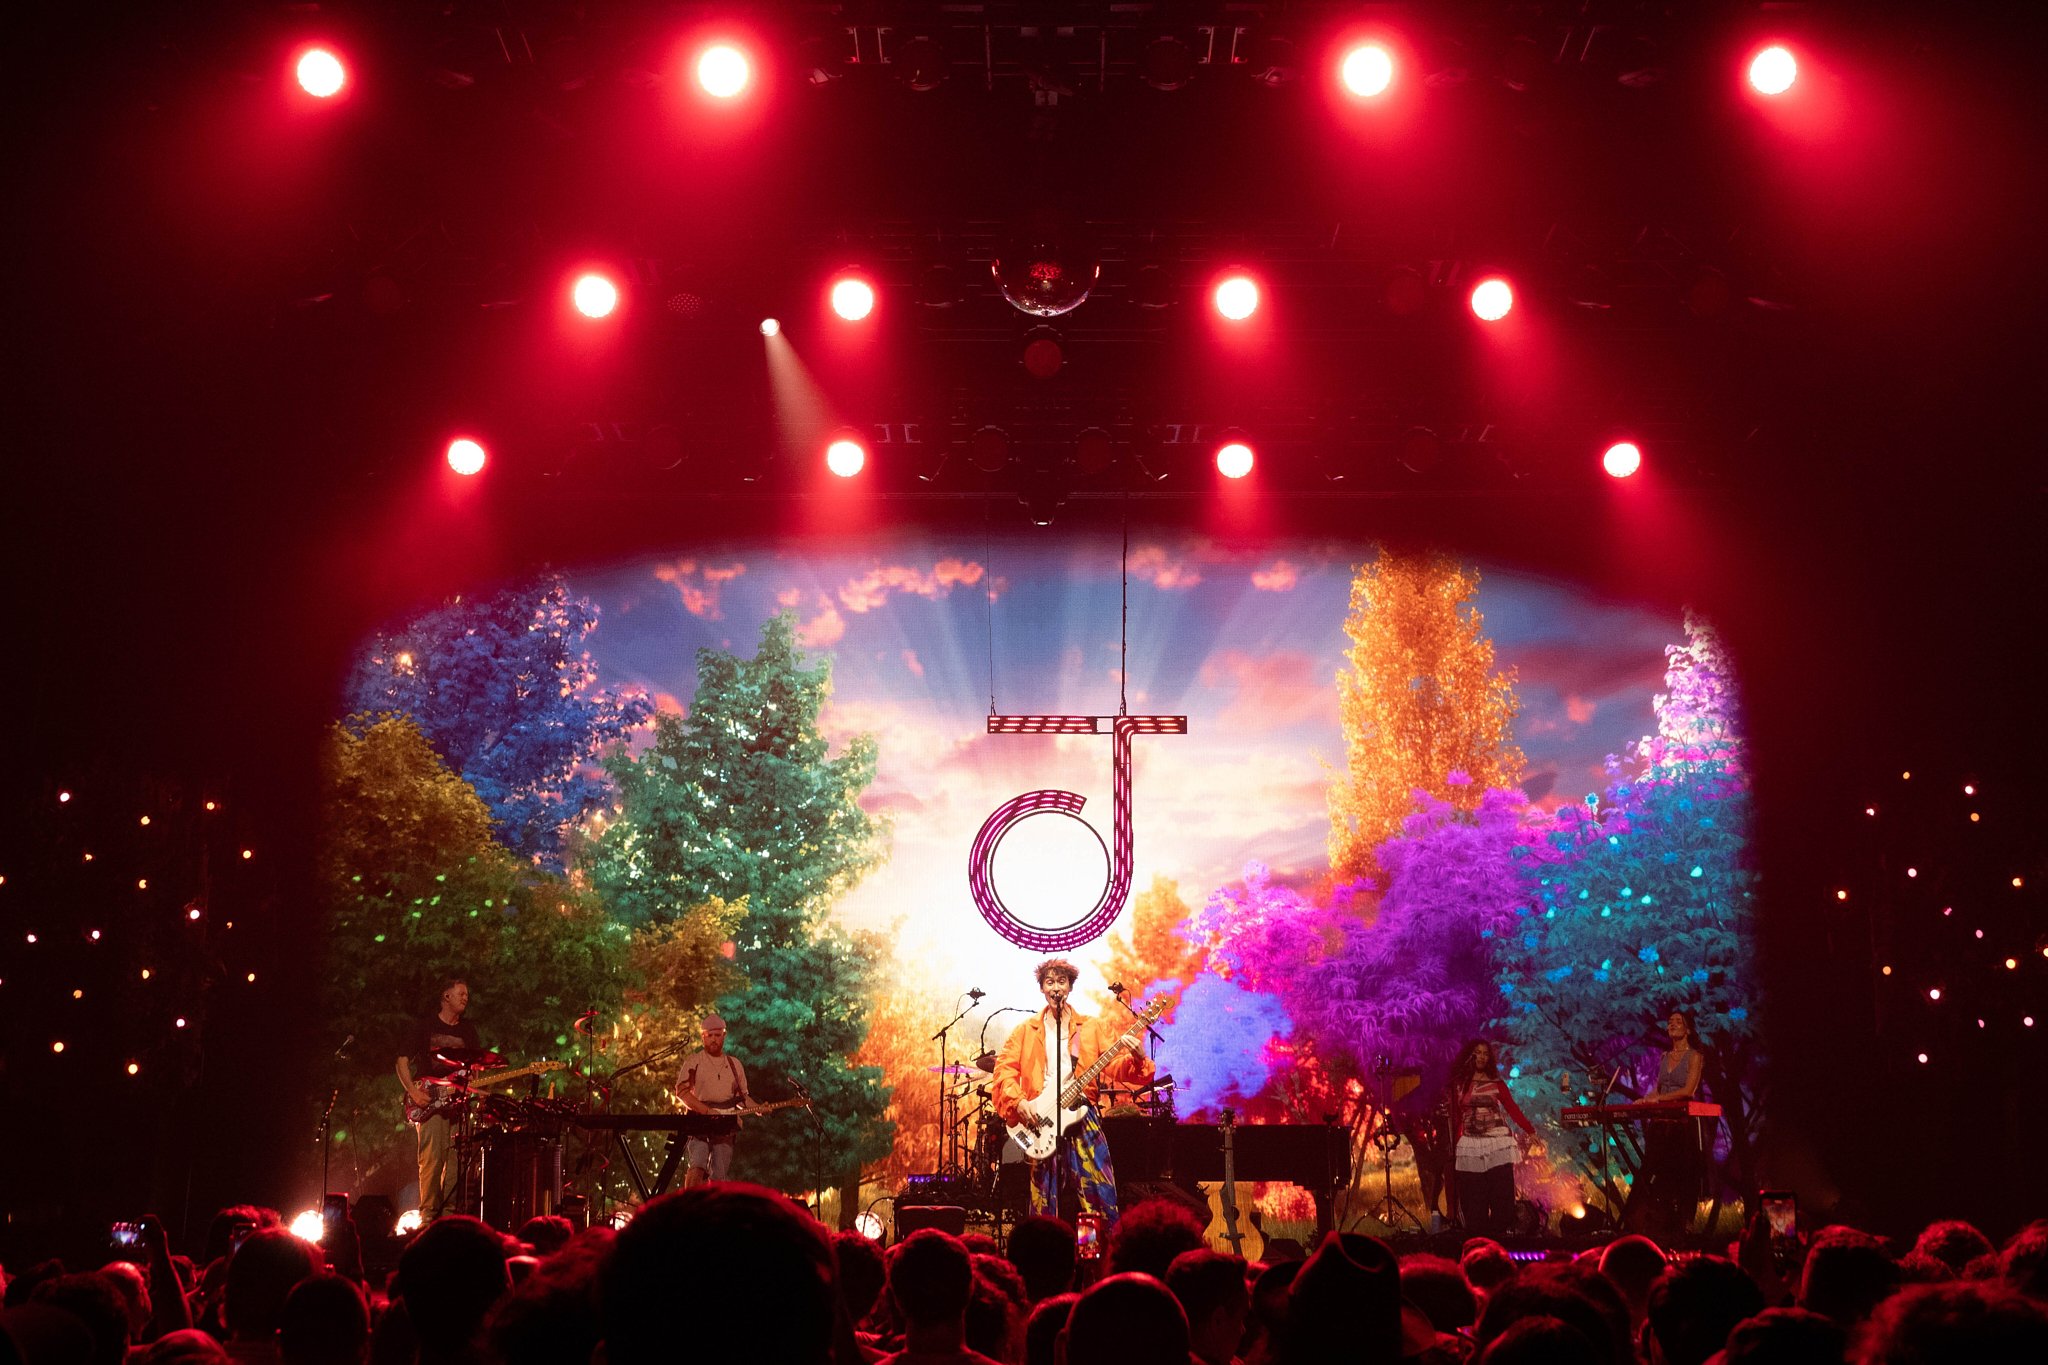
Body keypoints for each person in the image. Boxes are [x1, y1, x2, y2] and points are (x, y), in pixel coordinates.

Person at [990, 959, 1153, 1229]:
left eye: (1062, 981)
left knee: (1100, 1194)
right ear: (1042, 988)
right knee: (1044, 1201)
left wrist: (1138, 1059)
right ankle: (1047, 1257)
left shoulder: (1090, 1027)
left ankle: (1100, 1257)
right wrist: (1018, 1101)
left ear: (1070, 987)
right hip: (1041, 1120)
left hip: (1082, 1115)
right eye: (1050, 982)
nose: (1056, 987)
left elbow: (1116, 1067)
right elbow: (1003, 1071)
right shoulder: (1025, 1031)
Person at [397, 979, 483, 1222]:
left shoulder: (468, 1030)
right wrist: (413, 1093)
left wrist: (475, 1084)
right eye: (461, 993)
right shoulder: (425, 1027)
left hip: (458, 1105)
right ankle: (428, 1219)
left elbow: (477, 1066)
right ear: (446, 996)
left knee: (456, 1164)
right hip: (431, 1103)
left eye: (467, 994)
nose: (466, 998)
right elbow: (401, 1061)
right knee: (432, 1161)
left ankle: (449, 1219)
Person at [1628, 1011, 1709, 1240]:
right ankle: (1643, 1222)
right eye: (1670, 1021)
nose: (1672, 1024)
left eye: (1678, 1022)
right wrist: (1646, 1098)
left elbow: (1688, 1091)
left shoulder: (1694, 1056)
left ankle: (1683, 1223)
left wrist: (1658, 1099)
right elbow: (1659, 1089)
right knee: (1652, 1172)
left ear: (1688, 1030)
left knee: (1683, 1174)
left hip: (1682, 1126)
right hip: (1661, 1124)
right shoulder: (1664, 1057)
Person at [1447, 1040, 1537, 1237]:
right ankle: (1478, 1239)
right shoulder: (1460, 1084)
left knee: (1501, 1197)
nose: (1481, 1057)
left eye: (1485, 1054)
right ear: (1470, 1056)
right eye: (1477, 1053)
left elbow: (1512, 1108)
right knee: (1474, 1199)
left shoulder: (1496, 1083)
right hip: (1471, 1145)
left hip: (1497, 1143)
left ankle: (1497, 1238)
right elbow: (1455, 1116)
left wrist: (1530, 1130)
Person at [673, 1013, 752, 1186]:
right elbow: (682, 1092)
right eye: (710, 1035)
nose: (714, 1040)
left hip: (725, 1126)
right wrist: (707, 1111)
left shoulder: (734, 1064)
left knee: (720, 1173)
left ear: (724, 1035)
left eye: (718, 1035)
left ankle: (715, 1209)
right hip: (698, 1122)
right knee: (697, 1165)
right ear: (703, 1036)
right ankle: (691, 1206)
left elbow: (742, 1097)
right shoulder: (694, 1061)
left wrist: (758, 1107)